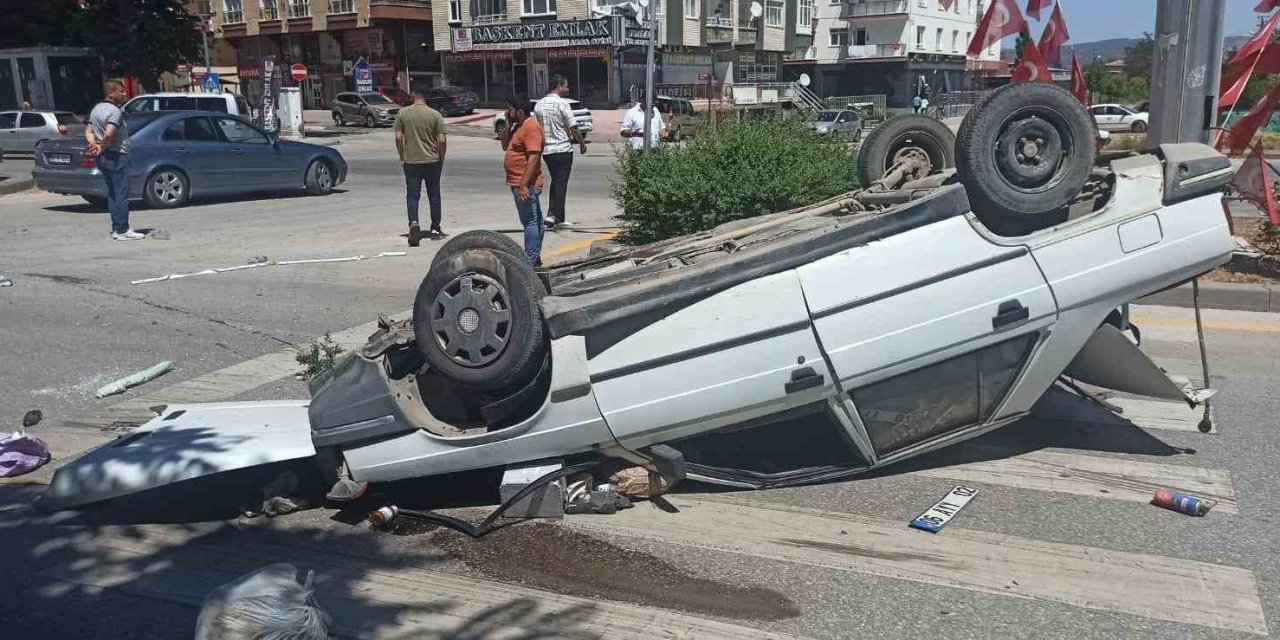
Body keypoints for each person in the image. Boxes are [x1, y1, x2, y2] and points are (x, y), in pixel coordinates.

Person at [86, 79, 144, 241]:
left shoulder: (96, 109)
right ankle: (122, 229)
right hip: (116, 155)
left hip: (104, 158)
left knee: (113, 194)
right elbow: (110, 133)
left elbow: (89, 131)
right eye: (121, 91)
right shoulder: (115, 112)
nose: (125, 94)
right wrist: (102, 146)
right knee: (121, 194)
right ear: (111, 93)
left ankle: (116, 227)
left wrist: (94, 145)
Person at [394, 88, 448, 245]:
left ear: (413, 98)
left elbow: (398, 137)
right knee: (434, 196)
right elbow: (442, 140)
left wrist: (402, 155)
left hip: (411, 162)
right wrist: (441, 158)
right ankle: (435, 229)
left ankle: (414, 223)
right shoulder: (435, 115)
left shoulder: (403, 114)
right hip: (432, 161)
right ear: (426, 99)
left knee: (412, 195)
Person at [534, 74, 586, 229]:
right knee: (561, 183)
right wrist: (582, 144)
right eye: (566, 86)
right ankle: (559, 218)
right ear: (558, 87)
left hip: (548, 151)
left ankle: (551, 215)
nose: (567, 89)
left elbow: (537, 128)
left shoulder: (539, 105)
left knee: (556, 182)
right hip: (563, 149)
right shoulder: (562, 104)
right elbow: (573, 127)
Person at [501, 94, 546, 266]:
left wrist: (524, 185)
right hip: (519, 182)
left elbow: (533, 158)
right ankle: (535, 258)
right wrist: (507, 124)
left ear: (520, 111)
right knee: (536, 221)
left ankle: (531, 260)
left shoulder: (531, 127)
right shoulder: (518, 126)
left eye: (510, 110)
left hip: (525, 183)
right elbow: (505, 145)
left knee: (530, 222)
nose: (507, 112)